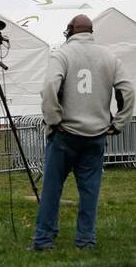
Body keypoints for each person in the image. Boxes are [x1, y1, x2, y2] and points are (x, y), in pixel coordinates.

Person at [32, 14, 133, 251]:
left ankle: (44, 240)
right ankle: (85, 240)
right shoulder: (109, 56)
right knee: (89, 192)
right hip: (95, 135)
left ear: (70, 30)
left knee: (52, 189)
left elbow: (49, 88)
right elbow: (128, 91)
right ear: (90, 31)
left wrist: (54, 119)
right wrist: (118, 123)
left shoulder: (62, 54)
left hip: (65, 133)